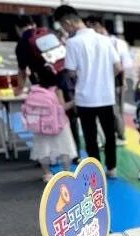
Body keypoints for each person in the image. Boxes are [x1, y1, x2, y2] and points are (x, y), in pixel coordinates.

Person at [54, 5, 122, 178]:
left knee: (90, 137)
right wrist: (105, 78)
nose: (65, 30)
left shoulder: (73, 43)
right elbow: (118, 67)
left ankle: (96, 171)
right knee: (109, 134)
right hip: (106, 96)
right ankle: (112, 168)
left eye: (63, 26)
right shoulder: (105, 40)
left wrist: (84, 75)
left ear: (68, 22)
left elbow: (70, 72)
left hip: (85, 98)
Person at [14, 16, 81, 161]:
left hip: (44, 87)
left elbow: (22, 71)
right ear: (33, 24)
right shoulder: (49, 33)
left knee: (47, 119)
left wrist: (19, 88)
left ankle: (51, 155)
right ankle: (74, 153)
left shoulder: (22, 43)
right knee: (68, 118)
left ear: (18, 29)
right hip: (65, 81)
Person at [86, 16, 133, 146]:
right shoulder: (97, 41)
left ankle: (121, 135)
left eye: (91, 27)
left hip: (115, 82)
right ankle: (116, 133)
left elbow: (123, 64)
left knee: (116, 110)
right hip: (106, 81)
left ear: (98, 26)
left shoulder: (115, 42)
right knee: (111, 110)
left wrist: (123, 81)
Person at [28, 71, 78, 182]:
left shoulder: (34, 91)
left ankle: (47, 174)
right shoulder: (56, 90)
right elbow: (62, 107)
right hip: (58, 124)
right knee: (65, 148)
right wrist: (74, 102)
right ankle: (66, 171)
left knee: (42, 149)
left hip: (40, 126)